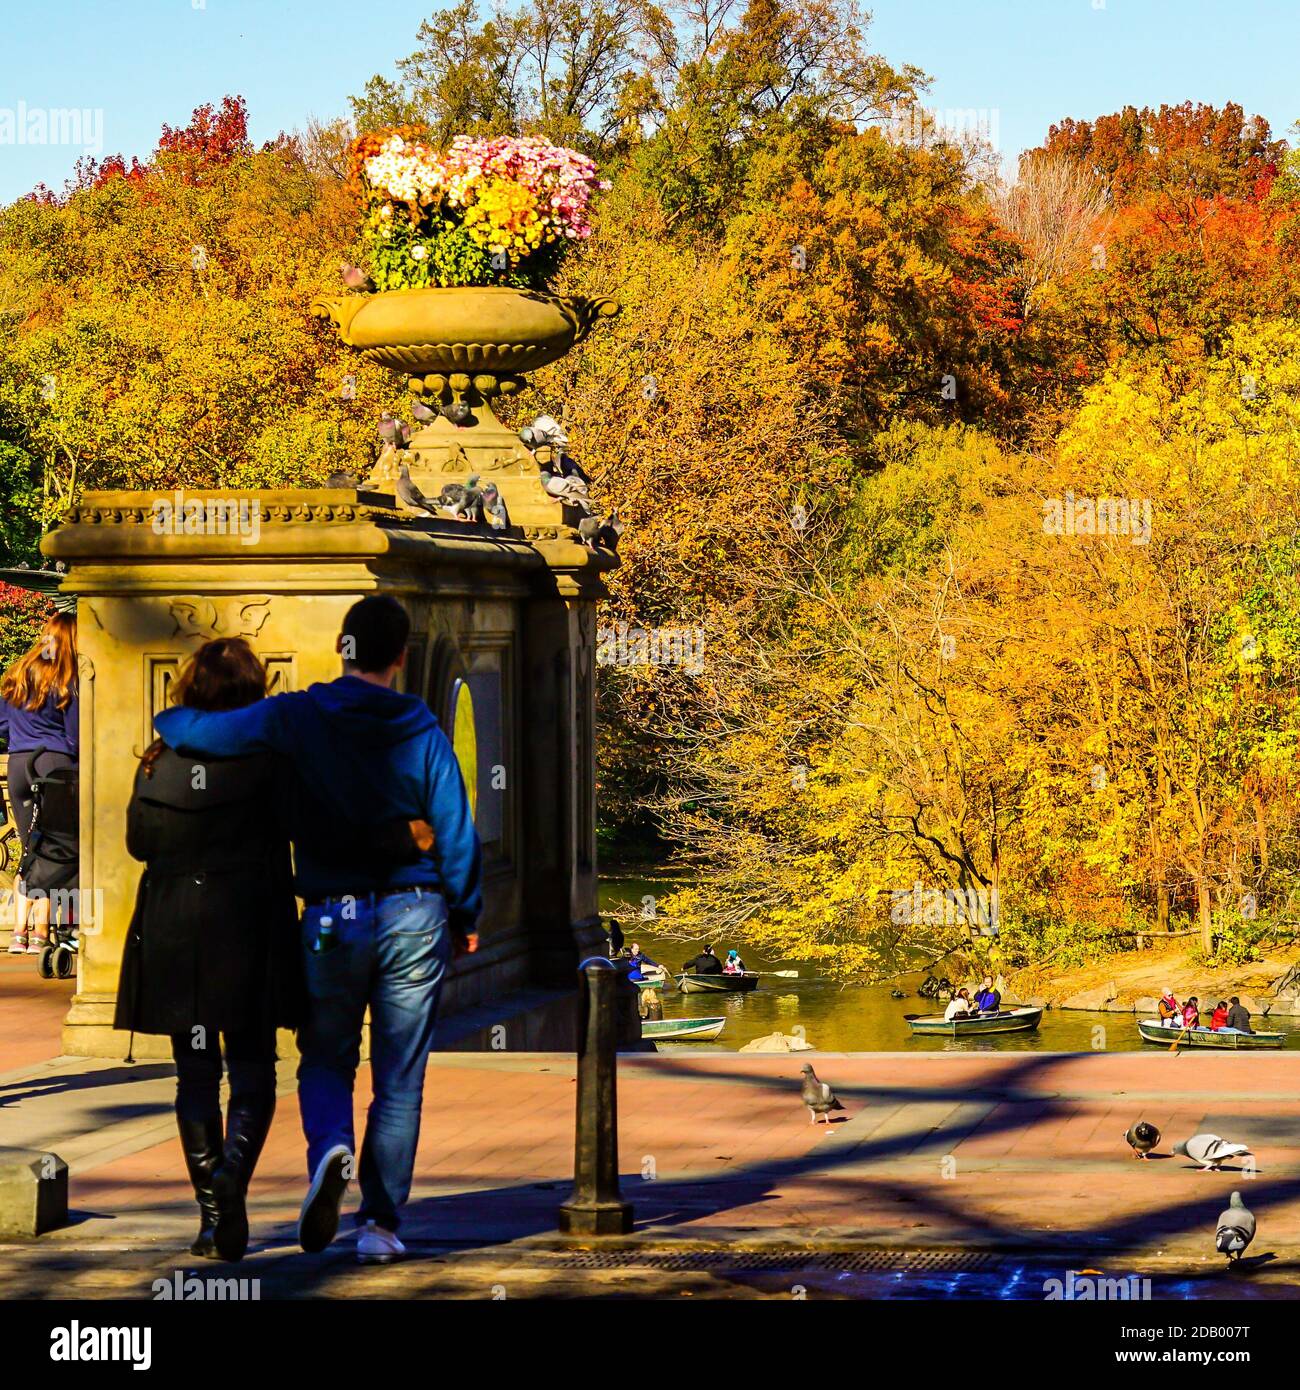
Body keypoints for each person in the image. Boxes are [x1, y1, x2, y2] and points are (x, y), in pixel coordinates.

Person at [153, 595, 483, 1267]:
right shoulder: (422, 730)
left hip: (332, 915)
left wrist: (170, 714)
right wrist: (466, 913)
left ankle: (329, 1147)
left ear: (342, 647)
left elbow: (193, 730)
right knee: (399, 1076)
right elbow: (456, 832)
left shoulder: (296, 715)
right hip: (413, 912)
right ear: (401, 657)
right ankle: (380, 1225)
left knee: (327, 1055)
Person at [115, 639, 301, 1262]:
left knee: (195, 1074)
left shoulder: (156, 761)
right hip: (248, 923)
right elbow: (296, 829)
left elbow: (140, 843)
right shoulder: (270, 758)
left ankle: (213, 1216)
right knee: (253, 1070)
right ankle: (231, 1181)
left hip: (175, 928)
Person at [0, 613, 79, 955]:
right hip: (55, 764)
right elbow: (75, 735)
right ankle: (43, 932)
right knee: (58, 849)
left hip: (18, 764)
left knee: (31, 848)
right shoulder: (67, 675)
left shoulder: (18, 672)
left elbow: (1, 726)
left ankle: (20, 932)